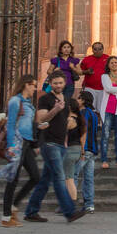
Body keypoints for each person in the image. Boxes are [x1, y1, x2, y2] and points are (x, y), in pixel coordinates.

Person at [23, 71, 86, 224]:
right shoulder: (45, 99)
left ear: (65, 83)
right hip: (49, 143)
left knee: (45, 180)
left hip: (60, 144)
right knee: (59, 177)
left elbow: (63, 123)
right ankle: (69, 212)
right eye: (55, 83)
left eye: (60, 83)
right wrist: (56, 109)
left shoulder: (66, 99)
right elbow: (41, 119)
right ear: (50, 83)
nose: (58, 85)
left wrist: (65, 141)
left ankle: (31, 211)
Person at [1, 75, 39, 227]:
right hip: (17, 143)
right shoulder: (15, 101)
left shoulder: (28, 104)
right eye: (33, 85)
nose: (35, 89)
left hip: (27, 143)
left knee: (36, 176)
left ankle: (14, 205)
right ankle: (6, 217)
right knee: (13, 180)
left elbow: (28, 123)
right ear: (26, 85)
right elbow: (10, 124)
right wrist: (11, 146)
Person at [76, 90, 101, 214]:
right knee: (89, 178)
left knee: (73, 175)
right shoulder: (94, 114)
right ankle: (89, 204)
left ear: (83, 100)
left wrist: (81, 149)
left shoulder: (83, 113)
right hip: (93, 149)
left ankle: (70, 203)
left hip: (84, 149)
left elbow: (83, 132)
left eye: (78, 98)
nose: (77, 100)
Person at [62, 98, 86, 211]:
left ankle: (72, 204)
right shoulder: (80, 119)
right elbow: (83, 137)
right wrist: (82, 151)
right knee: (70, 177)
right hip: (77, 149)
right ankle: (70, 203)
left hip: (70, 150)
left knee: (69, 179)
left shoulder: (70, 120)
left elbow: (61, 134)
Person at [79, 41, 110, 117]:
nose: (97, 51)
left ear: (103, 49)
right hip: (89, 88)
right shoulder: (86, 59)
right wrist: (87, 71)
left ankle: (98, 125)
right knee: (89, 109)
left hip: (103, 89)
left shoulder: (108, 58)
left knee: (101, 109)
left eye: (100, 49)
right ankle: (91, 125)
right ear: (92, 50)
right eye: (95, 49)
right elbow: (79, 72)